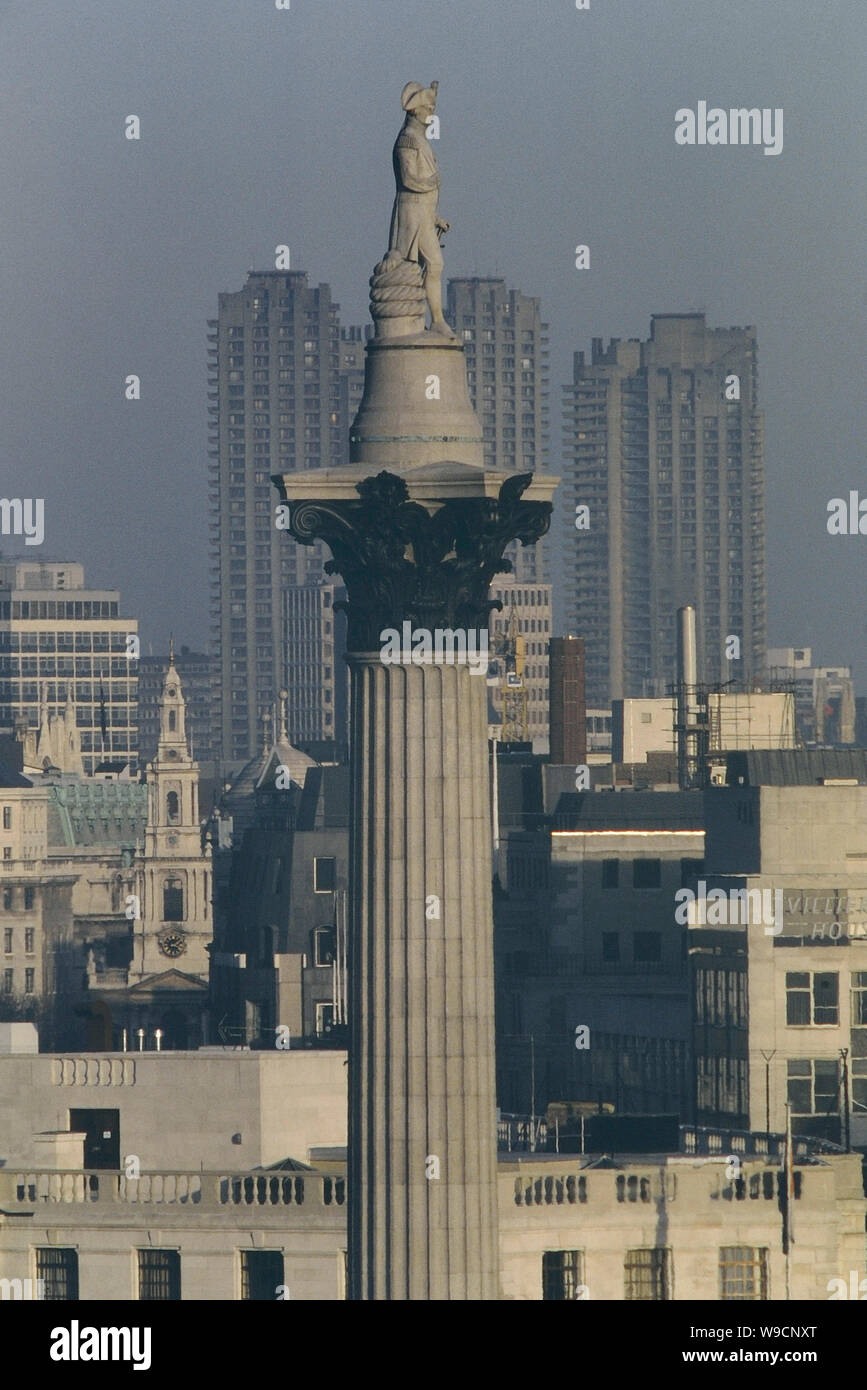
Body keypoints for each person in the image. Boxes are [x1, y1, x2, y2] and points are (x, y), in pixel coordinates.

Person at [387, 81, 455, 336]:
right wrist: (432, 181)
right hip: (411, 214)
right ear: (415, 110)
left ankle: (433, 319)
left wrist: (436, 218)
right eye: (429, 107)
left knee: (431, 265)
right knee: (427, 264)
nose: (432, 113)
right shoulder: (407, 140)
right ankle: (432, 320)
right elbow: (408, 180)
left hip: (424, 215)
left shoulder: (420, 140)